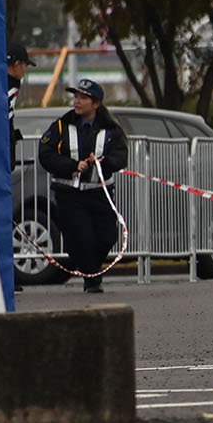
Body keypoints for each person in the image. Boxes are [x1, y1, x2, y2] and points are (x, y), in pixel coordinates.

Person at [37, 78, 128, 293]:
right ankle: (92, 279)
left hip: (100, 193)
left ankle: (89, 267)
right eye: (76, 97)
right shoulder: (60, 126)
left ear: (95, 103)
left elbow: (121, 156)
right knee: (83, 237)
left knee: (108, 236)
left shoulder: (112, 129)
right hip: (69, 193)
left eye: (83, 98)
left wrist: (104, 163)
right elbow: (46, 155)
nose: (77, 101)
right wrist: (72, 165)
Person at [5, 41, 37, 169]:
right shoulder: (10, 83)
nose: (25, 71)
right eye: (25, 65)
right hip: (0, 147)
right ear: (17, 64)